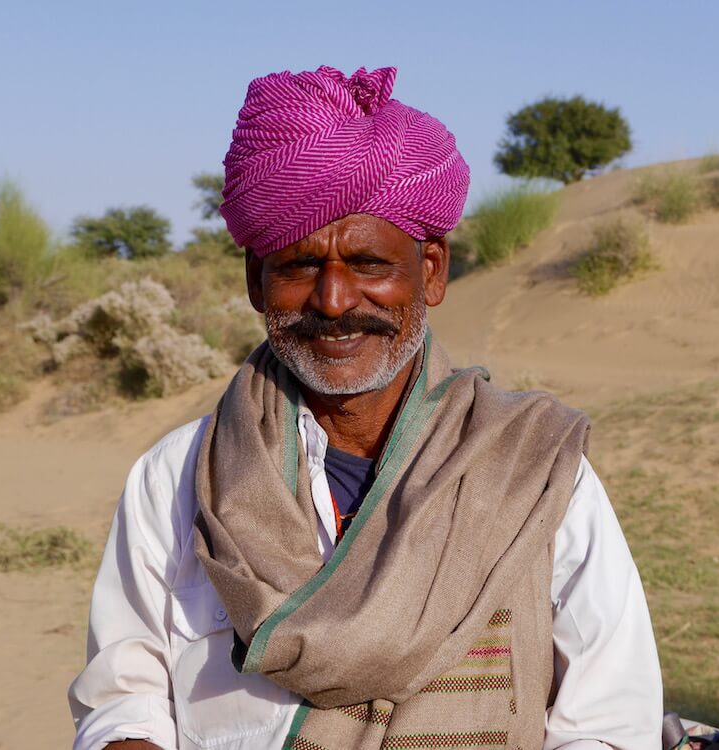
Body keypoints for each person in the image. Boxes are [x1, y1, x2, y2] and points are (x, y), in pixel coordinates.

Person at [69, 65, 663, 750]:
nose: (334, 300)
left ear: (431, 272)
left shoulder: (534, 473)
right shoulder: (176, 481)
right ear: (255, 283)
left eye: (369, 264)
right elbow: (124, 697)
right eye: (298, 266)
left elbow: (610, 723)